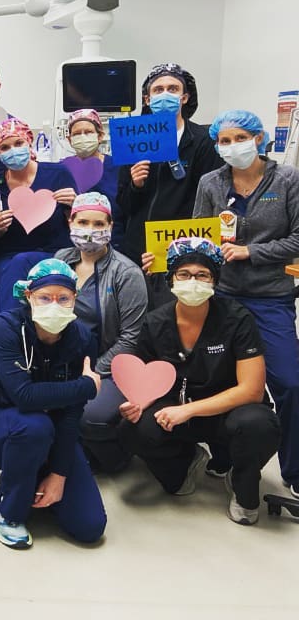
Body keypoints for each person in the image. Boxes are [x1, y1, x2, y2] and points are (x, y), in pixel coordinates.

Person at [117, 238, 281, 525]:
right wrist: (135, 405)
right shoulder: (155, 323)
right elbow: (143, 379)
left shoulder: (237, 319)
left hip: (228, 411)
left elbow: (252, 390)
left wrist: (189, 410)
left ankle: (241, 483)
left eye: (202, 275)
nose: (193, 281)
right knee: (132, 428)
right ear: (171, 279)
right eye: (184, 274)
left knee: (259, 424)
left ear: (214, 280)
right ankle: (185, 464)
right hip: (175, 411)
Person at [193, 109, 299, 498]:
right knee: (218, 380)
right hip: (220, 296)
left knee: (289, 383)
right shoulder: (211, 182)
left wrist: (249, 252)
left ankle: (294, 468)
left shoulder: (287, 179)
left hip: (271, 296)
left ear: (259, 138)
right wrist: (171, 257)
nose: (231, 146)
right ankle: (223, 453)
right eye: (223, 140)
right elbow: (199, 237)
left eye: (239, 137)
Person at [0, 259, 105, 549]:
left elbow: (72, 412)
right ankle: (10, 511)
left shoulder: (83, 338)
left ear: (74, 300)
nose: (54, 305)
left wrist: (59, 474)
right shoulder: (6, 328)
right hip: (1, 424)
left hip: (56, 432)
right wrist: (84, 386)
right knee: (35, 425)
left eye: (63, 298)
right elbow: (24, 396)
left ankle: (36, 477)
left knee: (90, 527)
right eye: (45, 297)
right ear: (28, 296)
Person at [53, 192, 147, 472]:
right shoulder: (61, 260)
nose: (90, 231)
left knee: (88, 416)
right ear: (70, 223)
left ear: (110, 226)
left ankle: (115, 457)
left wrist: (92, 370)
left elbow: (131, 339)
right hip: (63, 360)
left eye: (98, 224)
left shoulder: (126, 273)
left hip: (108, 367)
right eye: (83, 222)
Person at [117, 62, 222, 307]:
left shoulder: (202, 142)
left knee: (174, 316)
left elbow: (208, 200)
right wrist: (136, 184)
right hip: (137, 247)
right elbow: (123, 204)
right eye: (158, 89)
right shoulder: (134, 138)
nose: (165, 94)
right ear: (147, 98)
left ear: (184, 97)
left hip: (181, 246)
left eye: (173, 89)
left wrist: (176, 249)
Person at [0, 117, 77, 314]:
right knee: (16, 266)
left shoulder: (58, 174)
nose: (13, 151)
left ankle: (5, 331)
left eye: (18, 143)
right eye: (5, 147)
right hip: (6, 258)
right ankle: (11, 331)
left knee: (21, 262)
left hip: (53, 253)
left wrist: (75, 204)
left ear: (29, 141)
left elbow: (80, 222)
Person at [65, 109, 125, 249]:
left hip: (114, 242)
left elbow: (126, 205)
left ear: (100, 136)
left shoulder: (119, 167)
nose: (83, 137)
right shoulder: (63, 169)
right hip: (76, 245)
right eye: (77, 134)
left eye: (88, 132)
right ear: (69, 140)